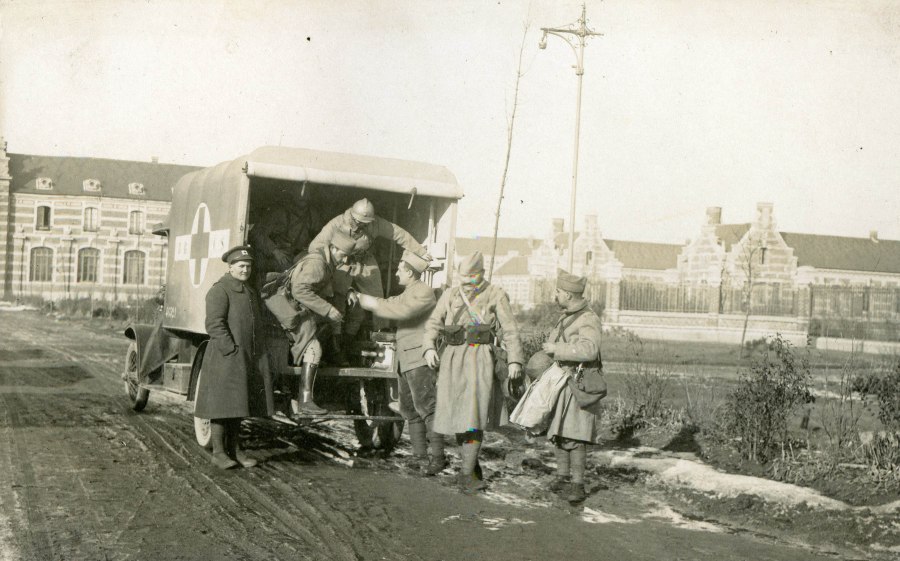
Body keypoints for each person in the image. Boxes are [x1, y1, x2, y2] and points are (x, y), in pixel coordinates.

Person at [422, 251, 524, 493]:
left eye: (471, 276)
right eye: (462, 276)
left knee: (472, 416)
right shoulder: (450, 293)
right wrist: (428, 346)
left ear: (481, 274)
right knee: (458, 415)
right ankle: (471, 470)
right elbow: (434, 322)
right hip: (451, 359)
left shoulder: (495, 294)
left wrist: (514, 361)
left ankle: (466, 474)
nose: (465, 281)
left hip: (479, 359)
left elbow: (509, 330)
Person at [357, 250, 445, 474]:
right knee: (409, 409)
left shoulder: (424, 293)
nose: (396, 273)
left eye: (399, 269)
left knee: (426, 407)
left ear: (409, 271)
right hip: (405, 359)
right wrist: (358, 296)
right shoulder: (409, 291)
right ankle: (419, 458)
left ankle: (438, 457)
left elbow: (400, 311)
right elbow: (388, 302)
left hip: (418, 357)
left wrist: (367, 302)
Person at [194, 245, 275, 470]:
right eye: (241, 266)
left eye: (248, 266)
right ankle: (219, 453)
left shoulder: (248, 291)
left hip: (244, 358)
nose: (245, 270)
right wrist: (231, 349)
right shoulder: (220, 290)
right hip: (225, 358)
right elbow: (214, 324)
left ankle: (236, 450)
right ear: (230, 267)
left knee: (238, 406)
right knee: (221, 407)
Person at [307, 198, 432, 340]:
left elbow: (399, 234)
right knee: (339, 298)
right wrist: (327, 262)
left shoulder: (376, 223)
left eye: (367, 223)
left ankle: (380, 331)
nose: (363, 226)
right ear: (353, 217)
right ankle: (337, 343)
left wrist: (420, 251)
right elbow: (315, 247)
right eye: (360, 222)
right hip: (341, 262)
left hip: (364, 261)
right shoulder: (336, 224)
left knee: (377, 296)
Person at [542, 270, 604, 503]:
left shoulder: (588, 318)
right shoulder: (568, 315)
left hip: (579, 384)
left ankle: (577, 485)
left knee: (576, 435)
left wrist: (556, 349)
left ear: (568, 294)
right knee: (559, 431)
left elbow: (589, 350)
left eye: (558, 291)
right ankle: (562, 477)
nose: (555, 295)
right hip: (563, 381)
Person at [287, 228, 357, 415]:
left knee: (324, 332)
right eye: (343, 255)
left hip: (300, 310)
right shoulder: (318, 264)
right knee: (314, 348)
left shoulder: (325, 262)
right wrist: (327, 310)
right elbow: (300, 291)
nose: (344, 260)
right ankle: (305, 400)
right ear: (333, 248)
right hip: (291, 312)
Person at [248, 188, 323, 280]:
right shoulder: (279, 213)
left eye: (306, 192)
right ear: (292, 194)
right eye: (300, 190)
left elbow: (319, 236)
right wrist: (274, 251)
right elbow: (257, 233)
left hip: (298, 255)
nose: (303, 195)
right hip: (276, 255)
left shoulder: (312, 215)